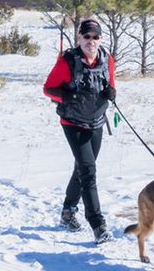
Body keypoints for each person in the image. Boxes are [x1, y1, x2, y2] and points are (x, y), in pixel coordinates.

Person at [42, 17, 117, 243]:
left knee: (83, 169)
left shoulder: (107, 59)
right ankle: (98, 224)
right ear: (79, 38)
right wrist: (65, 96)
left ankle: (67, 211)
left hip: (97, 121)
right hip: (73, 123)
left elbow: (110, 84)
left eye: (95, 37)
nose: (91, 41)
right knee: (88, 171)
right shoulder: (68, 62)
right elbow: (48, 89)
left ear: (101, 38)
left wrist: (111, 93)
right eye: (86, 37)